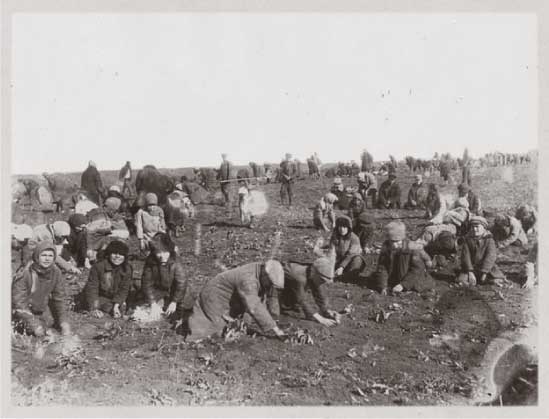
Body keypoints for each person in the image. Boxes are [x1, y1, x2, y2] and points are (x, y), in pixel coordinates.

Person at [186, 260, 287, 341]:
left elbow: (266, 297)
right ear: (265, 275)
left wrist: (273, 318)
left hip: (229, 296)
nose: (269, 286)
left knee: (228, 326)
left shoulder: (260, 270)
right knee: (209, 331)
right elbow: (254, 306)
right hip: (214, 295)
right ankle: (188, 335)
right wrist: (275, 329)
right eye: (269, 283)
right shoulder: (248, 279)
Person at [12, 242, 71, 337]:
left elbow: (59, 299)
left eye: (50, 256)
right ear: (37, 256)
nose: (47, 259)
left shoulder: (56, 272)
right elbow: (19, 304)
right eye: (43, 255)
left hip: (40, 311)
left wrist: (64, 322)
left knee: (59, 331)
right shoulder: (25, 274)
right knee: (36, 334)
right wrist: (34, 325)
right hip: (21, 314)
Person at [272, 253, 341, 327]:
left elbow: (319, 292)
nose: (323, 283)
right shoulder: (299, 278)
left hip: (287, 283)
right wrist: (320, 319)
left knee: (294, 304)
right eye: (322, 280)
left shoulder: (312, 272)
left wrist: (326, 310)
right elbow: (302, 300)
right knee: (277, 311)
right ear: (314, 272)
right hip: (271, 284)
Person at [372, 221, 434, 295]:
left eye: (396, 241)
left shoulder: (412, 247)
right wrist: (383, 286)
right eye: (391, 241)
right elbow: (382, 266)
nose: (393, 244)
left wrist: (403, 285)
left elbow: (416, 269)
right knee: (374, 279)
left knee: (418, 285)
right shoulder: (386, 246)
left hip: (411, 278)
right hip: (394, 276)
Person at [141, 233, 189, 321]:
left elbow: (181, 283)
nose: (162, 256)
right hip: (159, 290)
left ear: (170, 251)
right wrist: (152, 303)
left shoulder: (176, 261)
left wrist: (174, 302)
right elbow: (146, 283)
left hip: (174, 291)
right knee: (147, 307)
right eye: (158, 252)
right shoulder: (150, 262)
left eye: (165, 252)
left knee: (184, 306)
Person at [84, 240, 132, 318]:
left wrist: (116, 305)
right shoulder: (98, 267)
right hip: (100, 296)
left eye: (121, 254)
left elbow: (124, 289)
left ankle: (116, 306)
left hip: (115, 297)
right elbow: (92, 288)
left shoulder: (127, 269)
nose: (117, 256)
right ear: (109, 254)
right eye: (114, 253)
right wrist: (94, 308)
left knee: (122, 307)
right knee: (103, 307)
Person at [457, 216, 506, 286]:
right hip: (471, 267)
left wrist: (484, 272)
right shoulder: (467, 240)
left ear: (484, 228)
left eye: (477, 227)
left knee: (495, 278)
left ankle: (489, 280)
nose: (474, 229)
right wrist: (470, 271)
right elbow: (465, 256)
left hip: (487, 267)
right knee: (461, 281)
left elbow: (490, 257)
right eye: (472, 227)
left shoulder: (489, 240)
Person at [329, 216, 365, 283]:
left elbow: (350, 255)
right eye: (340, 227)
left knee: (357, 259)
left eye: (344, 227)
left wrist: (341, 267)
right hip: (338, 260)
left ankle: (347, 276)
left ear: (348, 228)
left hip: (350, 262)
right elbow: (331, 251)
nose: (342, 229)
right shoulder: (335, 236)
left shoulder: (354, 238)